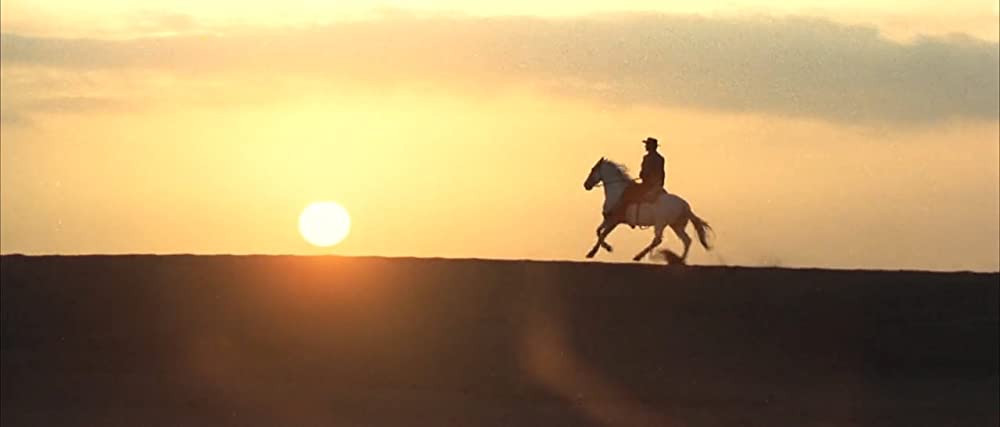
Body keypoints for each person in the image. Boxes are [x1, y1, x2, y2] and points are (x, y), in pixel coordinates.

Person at [609, 137, 665, 224]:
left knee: (628, 192)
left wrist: (643, 176)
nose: (645, 146)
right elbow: (661, 173)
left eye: (647, 145)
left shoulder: (648, 158)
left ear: (651, 146)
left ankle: (622, 214)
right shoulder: (660, 158)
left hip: (648, 184)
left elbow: (646, 172)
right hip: (655, 184)